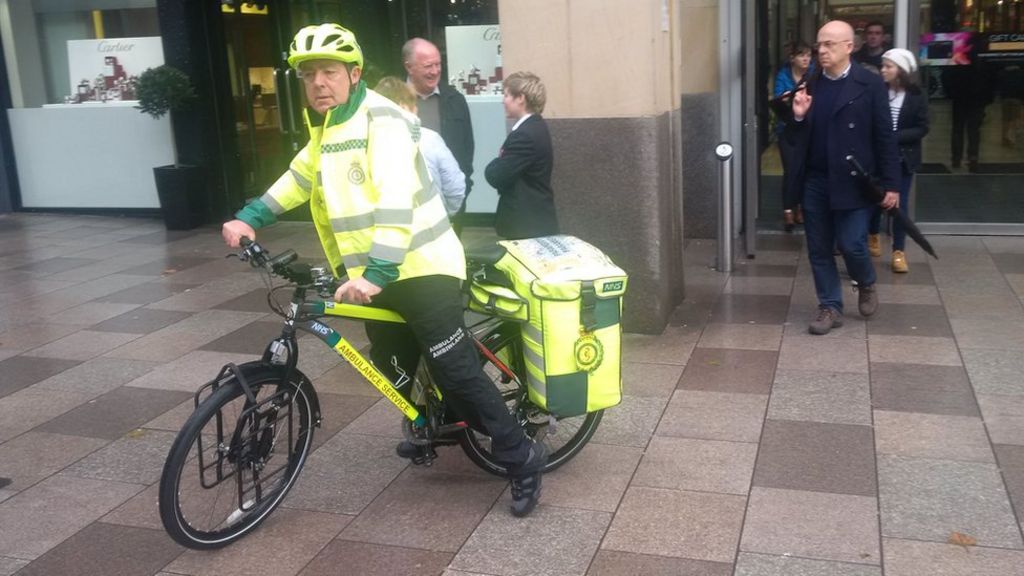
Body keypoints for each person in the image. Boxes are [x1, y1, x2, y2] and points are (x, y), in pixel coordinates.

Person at [221, 23, 546, 517]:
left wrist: (376, 272)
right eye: (308, 76)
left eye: (329, 72)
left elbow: (396, 202)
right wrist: (250, 217)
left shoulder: (384, 121)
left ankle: (521, 458)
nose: (318, 84)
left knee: (457, 372)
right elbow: (297, 178)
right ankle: (430, 423)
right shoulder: (327, 127)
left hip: (424, 267)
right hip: (378, 274)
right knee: (393, 366)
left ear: (353, 74)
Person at [782, 20, 900, 335]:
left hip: (856, 180)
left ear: (850, 46)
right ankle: (830, 306)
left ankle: (866, 282)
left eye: (830, 44)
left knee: (852, 244)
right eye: (820, 44)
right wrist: (798, 114)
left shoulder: (869, 83)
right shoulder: (812, 83)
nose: (822, 51)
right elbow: (794, 137)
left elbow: (884, 136)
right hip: (817, 180)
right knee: (819, 248)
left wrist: (891, 184)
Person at [403, 38, 475, 235]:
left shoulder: (455, 100)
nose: (435, 71)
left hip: (448, 204)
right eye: (428, 66)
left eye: (438, 64)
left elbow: (467, 149)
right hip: (405, 206)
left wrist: (463, 186)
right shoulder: (391, 100)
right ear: (409, 67)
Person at [868, 48, 929, 273]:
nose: (883, 70)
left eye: (888, 66)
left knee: (899, 205)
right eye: (882, 66)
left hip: (903, 157)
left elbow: (923, 127)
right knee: (876, 200)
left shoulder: (916, 95)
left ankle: (898, 251)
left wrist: (893, 137)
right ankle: (872, 234)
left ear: (901, 70)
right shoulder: (879, 91)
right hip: (878, 157)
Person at [374, 76, 465, 218]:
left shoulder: (365, 141)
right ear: (406, 107)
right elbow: (455, 187)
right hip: (431, 223)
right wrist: (445, 214)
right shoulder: (430, 139)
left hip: (384, 226)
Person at [485, 71, 558, 240]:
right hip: (534, 219)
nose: (503, 100)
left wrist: (495, 163)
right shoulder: (536, 126)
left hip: (526, 223)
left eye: (507, 95)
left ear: (521, 98)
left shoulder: (524, 135)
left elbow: (496, 175)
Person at [773, 41, 814, 231]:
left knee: (805, 170)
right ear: (792, 58)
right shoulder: (783, 75)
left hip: (808, 129)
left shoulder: (813, 74)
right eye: (801, 55)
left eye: (808, 55)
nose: (806, 59)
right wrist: (788, 96)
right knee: (791, 171)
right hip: (787, 129)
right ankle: (788, 209)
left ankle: (800, 207)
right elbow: (777, 98)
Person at [942, 36, 996, 172]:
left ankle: (956, 158)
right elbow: (992, 80)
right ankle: (972, 158)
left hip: (960, 98)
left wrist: (950, 93)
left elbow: (947, 76)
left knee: (958, 129)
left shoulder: (959, 59)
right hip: (977, 99)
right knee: (974, 130)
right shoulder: (984, 61)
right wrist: (988, 98)